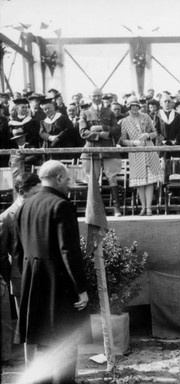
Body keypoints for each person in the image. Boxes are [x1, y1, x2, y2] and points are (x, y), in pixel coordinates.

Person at [14, 160, 90, 383]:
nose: (69, 184)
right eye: (67, 179)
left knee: (44, 349)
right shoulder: (62, 205)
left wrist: (32, 279)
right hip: (60, 290)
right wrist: (82, 289)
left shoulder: (24, 206)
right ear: (58, 178)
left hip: (34, 287)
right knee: (66, 350)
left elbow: (18, 253)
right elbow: (69, 252)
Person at [0, 173, 42, 365]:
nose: (39, 196)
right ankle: (31, 368)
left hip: (43, 275)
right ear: (21, 192)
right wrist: (13, 278)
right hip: (20, 278)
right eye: (35, 193)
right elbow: (2, 254)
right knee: (27, 326)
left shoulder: (41, 210)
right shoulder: (6, 217)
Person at [79, 87, 123, 217]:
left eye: (98, 95)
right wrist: (98, 135)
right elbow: (83, 132)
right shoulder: (84, 113)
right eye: (94, 96)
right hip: (91, 150)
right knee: (93, 179)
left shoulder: (109, 112)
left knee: (112, 177)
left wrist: (103, 128)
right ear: (90, 97)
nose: (96, 98)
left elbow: (116, 130)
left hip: (108, 149)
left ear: (102, 96)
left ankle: (116, 207)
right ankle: (96, 209)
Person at [119, 96, 163, 216]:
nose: (134, 108)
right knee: (139, 182)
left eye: (136, 106)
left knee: (149, 181)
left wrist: (147, 135)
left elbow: (155, 133)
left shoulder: (146, 117)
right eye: (131, 106)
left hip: (149, 150)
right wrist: (133, 142)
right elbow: (122, 140)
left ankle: (148, 207)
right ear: (128, 107)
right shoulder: (124, 121)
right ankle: (143, 207)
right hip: (135, 152)